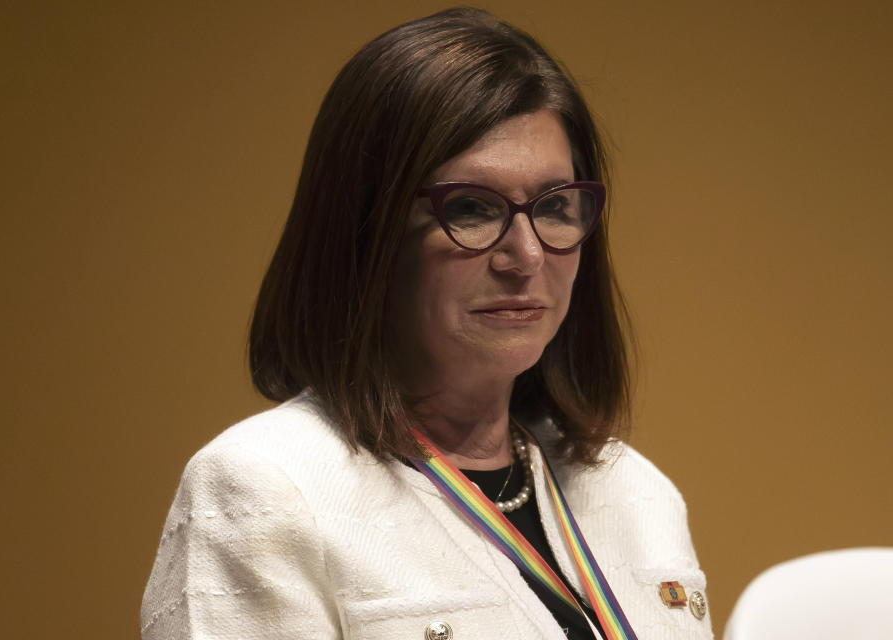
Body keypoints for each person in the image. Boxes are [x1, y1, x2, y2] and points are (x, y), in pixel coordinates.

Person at [141, 7, 712, 640]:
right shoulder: (266, 488)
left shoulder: (633, 490)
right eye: (470, 208)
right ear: (366, 231)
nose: (524, 256)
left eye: (554, 207)